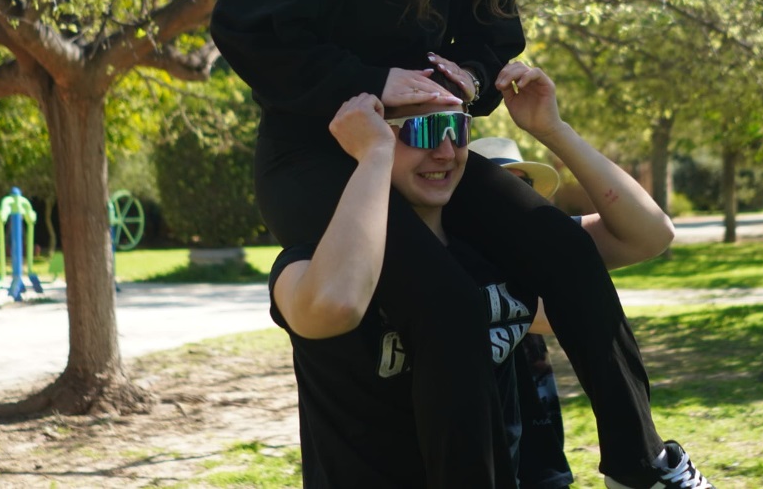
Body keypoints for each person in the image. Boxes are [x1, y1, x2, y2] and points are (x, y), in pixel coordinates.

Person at [212, 0, 710, 488]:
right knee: (446, 300)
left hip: (424, 145)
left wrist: (472, 77)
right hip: (316, 157)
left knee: (565, 250)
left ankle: (642, 466)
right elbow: (245, 25)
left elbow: (494, 35)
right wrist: (374, 79)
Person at [271, 63, 703, 487]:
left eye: (456, 129)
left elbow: (648, 235)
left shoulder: (502, 248)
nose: (445, 152)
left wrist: (553, 130)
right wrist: (372, 158)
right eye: (422, 131)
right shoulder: (312, 262)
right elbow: (334, 305)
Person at [468, 136, 570, 489]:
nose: (510, 196)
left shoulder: (526, 247)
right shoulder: (457, 251)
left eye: (521, 185)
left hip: (534, 414)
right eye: (495, 184)